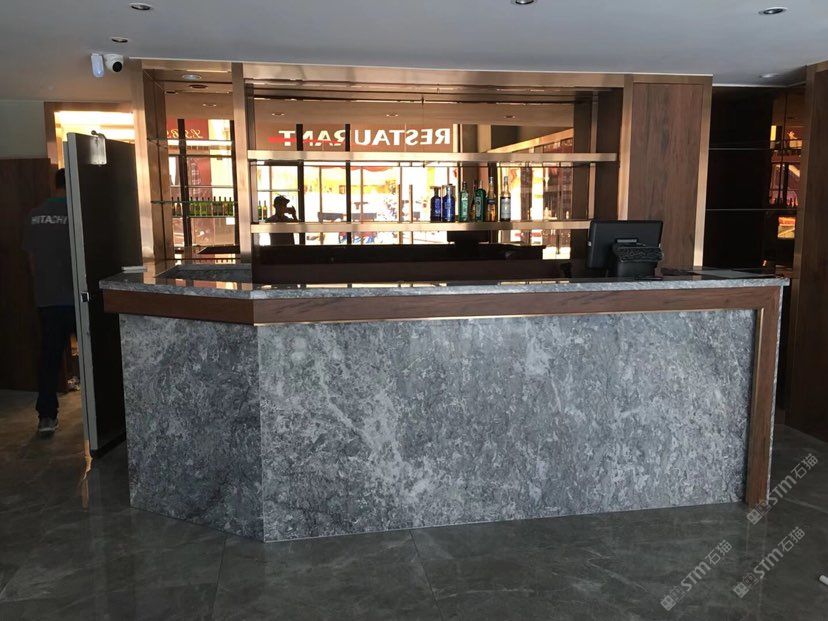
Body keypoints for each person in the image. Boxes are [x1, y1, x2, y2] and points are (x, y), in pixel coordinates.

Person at [22, 168, 76, 436]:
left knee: (49, 357)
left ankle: (46, 417)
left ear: (54, 184)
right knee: (95, 356)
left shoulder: (34, 216)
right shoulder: (77, 213)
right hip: (77, 297)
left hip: (48, 298)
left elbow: (32, 262)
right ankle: (103, 418)